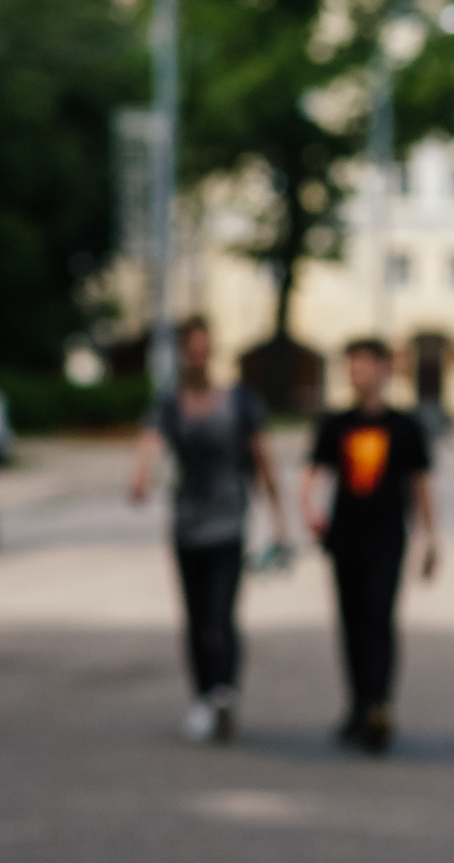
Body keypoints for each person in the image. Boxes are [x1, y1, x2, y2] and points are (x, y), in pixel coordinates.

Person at [129, 318, 290, 745]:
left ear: (212, 351)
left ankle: (225, 692)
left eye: (204, 347)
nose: (198, 356)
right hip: (186, 525)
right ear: (184, 353)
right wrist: (141, 476)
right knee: (196, 617)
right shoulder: (170, 403)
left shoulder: (239, 402)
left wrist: (278, 519)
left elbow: (262, 460)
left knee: (222, 613)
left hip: (229, 522)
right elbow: (150, 443)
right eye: (191, 348)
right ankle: (202, 697)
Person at [306, 338, 436, 754]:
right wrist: (309, 511)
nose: (356, 374)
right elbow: (313, 476)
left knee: (379, 619)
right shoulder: (336, 424)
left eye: (364, 365)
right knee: (350, 623)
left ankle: (380, 705)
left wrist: (431, 538)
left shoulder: (404, 426)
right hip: (344, 538)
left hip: (387, 538)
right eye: (351, 366)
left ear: (384, 371)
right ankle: (358, 705)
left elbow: (420, 485)